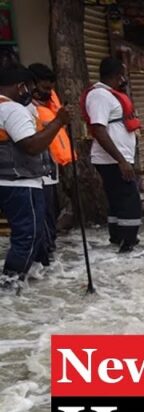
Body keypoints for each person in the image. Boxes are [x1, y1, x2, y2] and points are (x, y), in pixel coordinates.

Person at [0, 65, 70, 286]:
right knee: (28, 235)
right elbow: (30, 146)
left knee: (27, 234)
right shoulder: (12, 110)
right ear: (21, 87)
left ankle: (24, 281)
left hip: (8, 181)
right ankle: (10, 285)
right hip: (21, 183)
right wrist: (59, 122)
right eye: (29, 87)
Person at [81, 57, 142, 253]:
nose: (125, 79)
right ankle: (128, 243)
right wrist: (121, 161)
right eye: (123, 75)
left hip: (117, 158)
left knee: (118, 200)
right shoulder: (100, 96)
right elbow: (98, 129)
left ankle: (119, 239)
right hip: (113, 160)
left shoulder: (109, 94)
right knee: (130, 199)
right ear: (117, 76)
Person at [28, 63, 72, 259]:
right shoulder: (26, 110)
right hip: (35, 174)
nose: (48, 93)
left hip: (50, 171)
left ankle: (49, 254)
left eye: (50, 89)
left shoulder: (50, 108)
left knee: (50, 215)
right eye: (45, 88)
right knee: (42, 218)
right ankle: (43, 257)